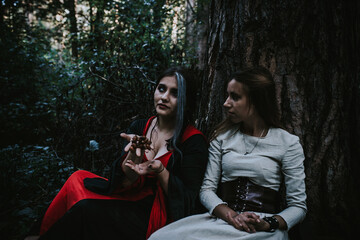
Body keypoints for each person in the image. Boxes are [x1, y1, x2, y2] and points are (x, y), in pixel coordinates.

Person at [28, 67, 208, 240]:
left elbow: (187, 201)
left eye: (174, 93)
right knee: (77, 178)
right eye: (161, 89)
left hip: (155, 212)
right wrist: (133, 158)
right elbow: (125, 180)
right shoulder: (140, 126)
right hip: (131, 192)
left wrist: (160, 170)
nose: (164, 97)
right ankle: (40, 233)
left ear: (187, 100)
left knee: (86, 209)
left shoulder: (193, 141)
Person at [149, 66, 307, 240]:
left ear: (256, 101)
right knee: (161, 237)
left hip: (261, 228)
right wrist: (232, 216)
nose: (226, 103)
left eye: (235, 97)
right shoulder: (222, 139)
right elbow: (206, 190)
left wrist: (270, 223)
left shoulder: (288, 143)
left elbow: (298, 206)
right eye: (227, 95)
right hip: (224, 220)